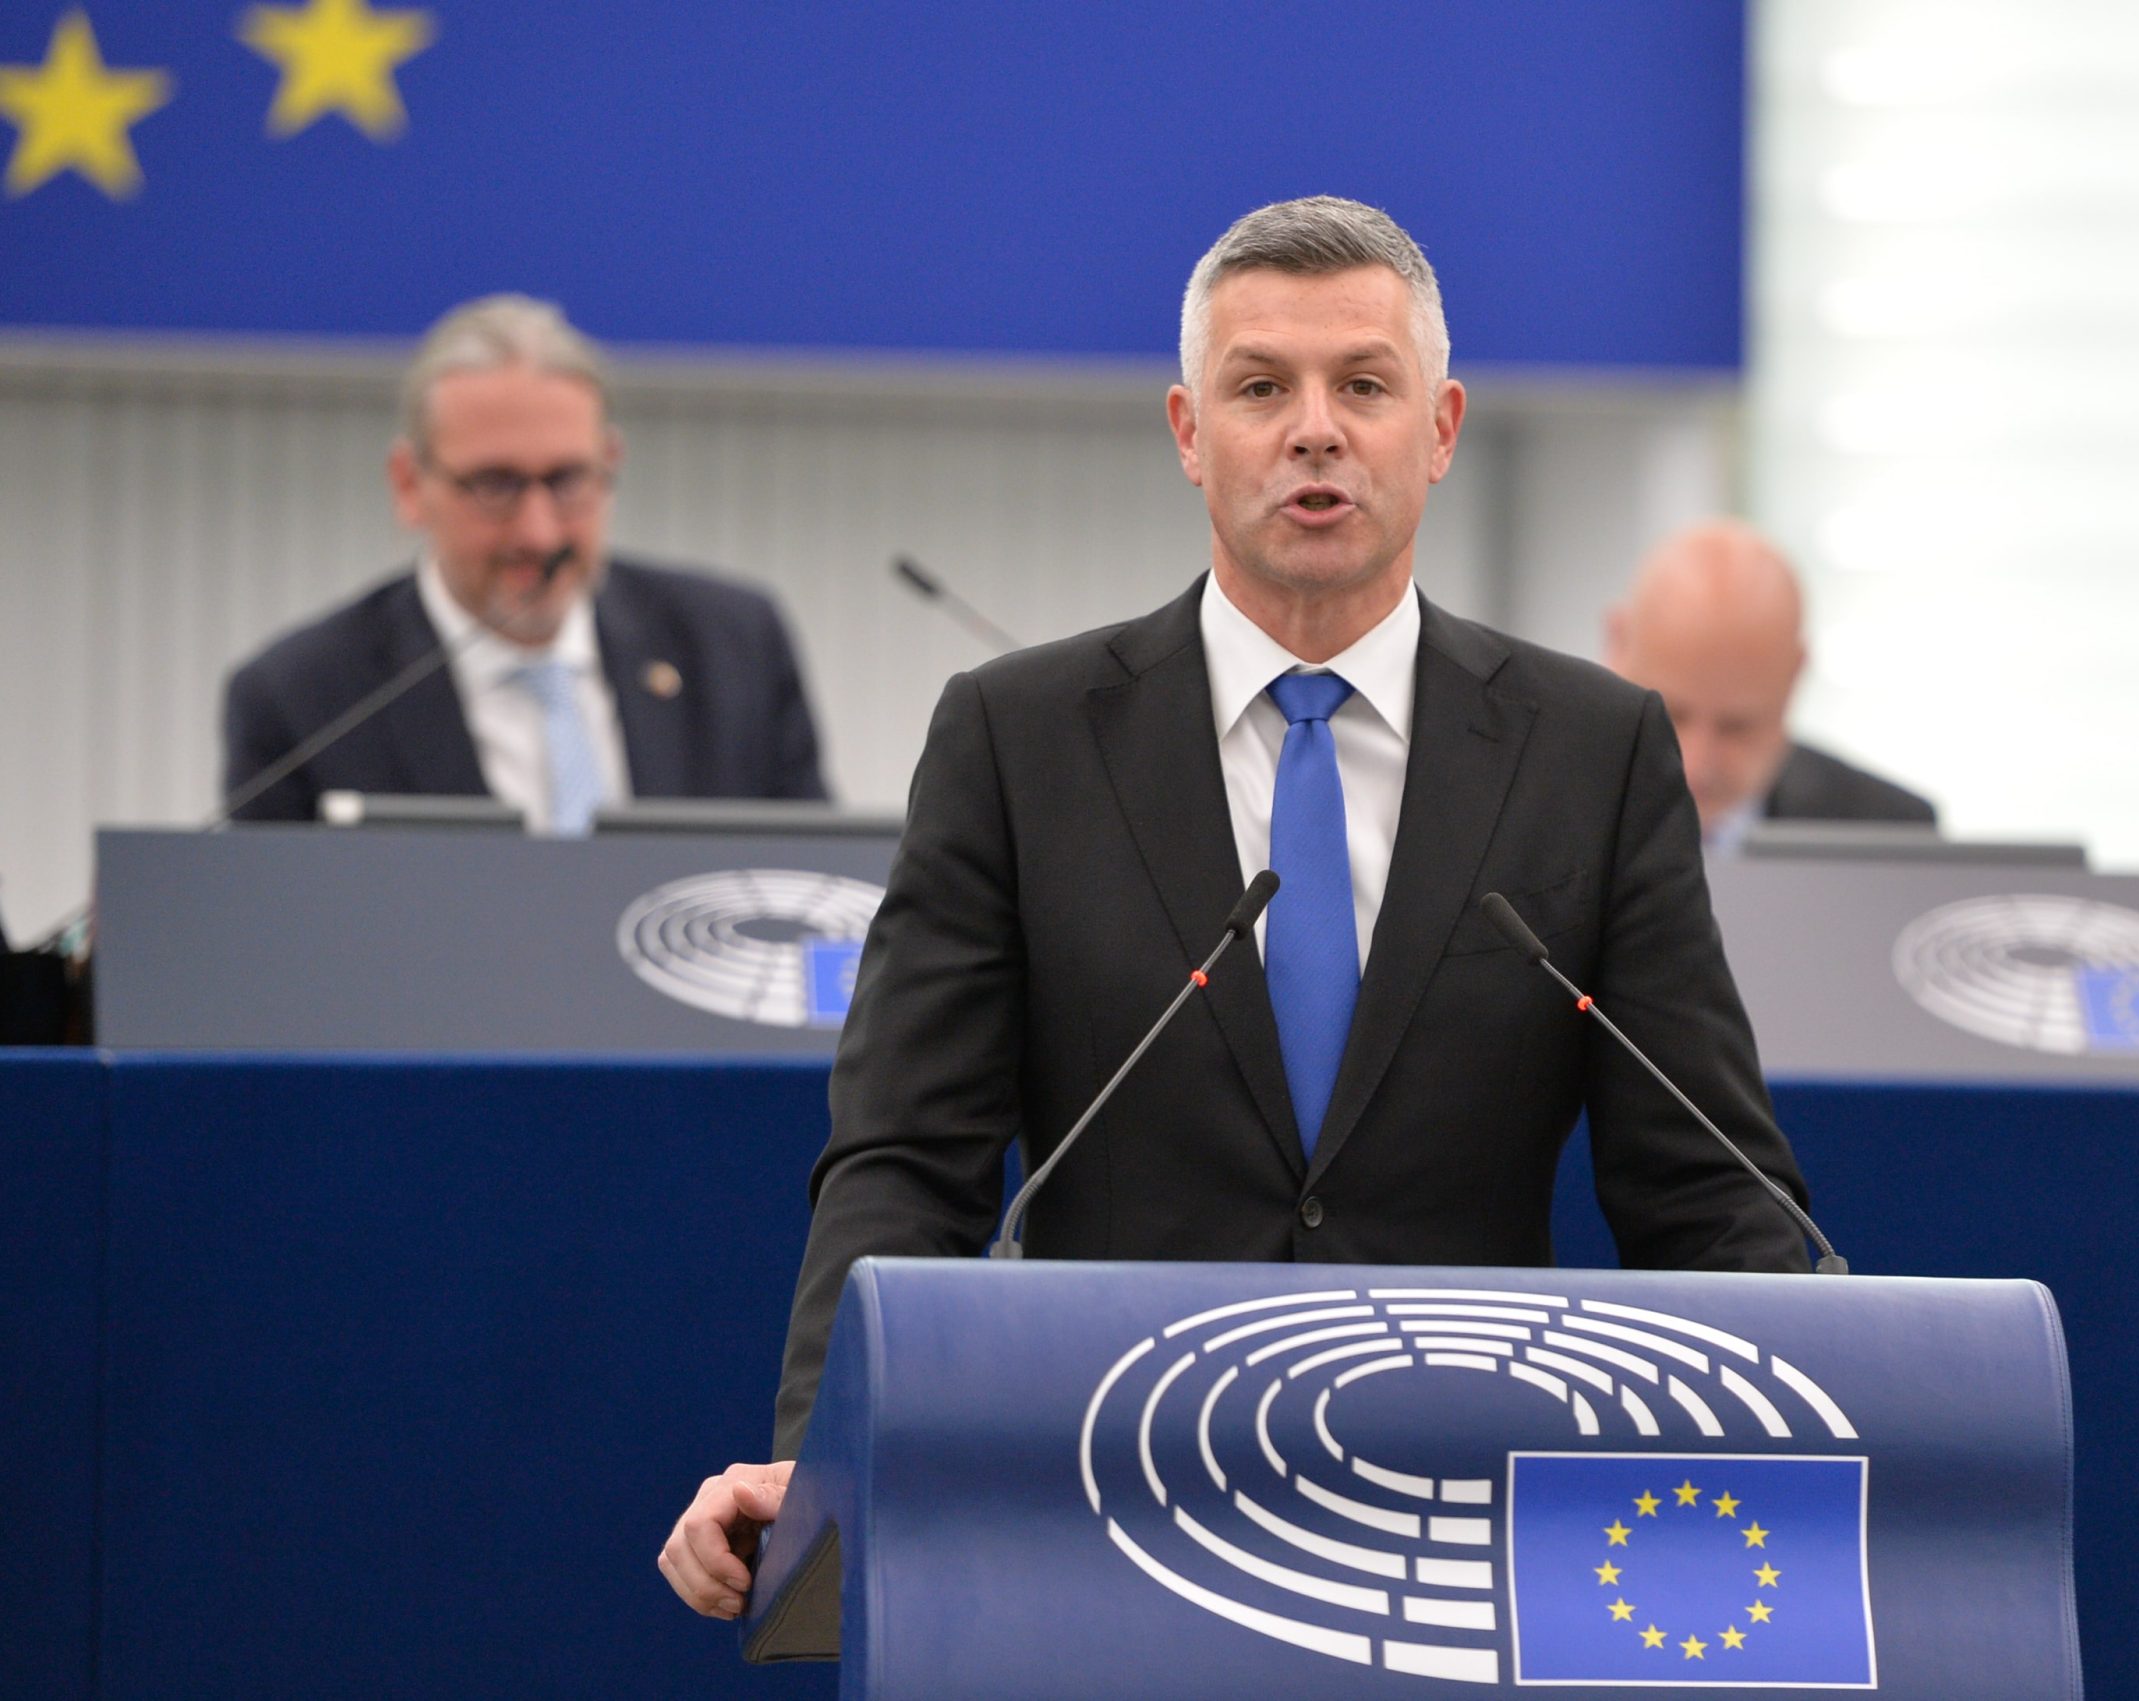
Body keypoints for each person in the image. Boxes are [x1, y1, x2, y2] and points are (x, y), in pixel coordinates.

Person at [658, 197, 1813, 1618]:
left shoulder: (1591, 752)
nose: (1314, 431)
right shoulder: (1019, 741)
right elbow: (906, 1163)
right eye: (1261, 388)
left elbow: (1706, 1184)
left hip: (1464, 1542)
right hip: (1100, 1515)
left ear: (1440, 429)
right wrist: (825, 1461)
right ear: (1189, 433)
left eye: (1363, 386)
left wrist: (1809, 1446)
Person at [220, 295, 828, 831]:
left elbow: (816, 888)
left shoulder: (735, 648)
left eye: (567, 481)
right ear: (409, 484)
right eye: (495, 485)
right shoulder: (304, 698)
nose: (538, 533)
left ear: (609, 464)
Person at [1605, 521, 1934, 855]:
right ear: (1617, 644)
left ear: (1795, 675)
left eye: (1737, 727)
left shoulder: (1891, 838)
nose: (1696, 764)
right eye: (1668, 716)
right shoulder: (1567, 813)